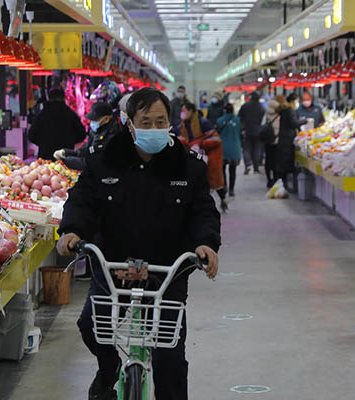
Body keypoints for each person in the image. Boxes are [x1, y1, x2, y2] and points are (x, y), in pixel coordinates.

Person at [56, 87, 221, 400]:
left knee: (168, 357)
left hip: (167, 271)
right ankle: (108, 371)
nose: (155, 128)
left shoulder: (188, 167)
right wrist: (73, 231)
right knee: (93, 328)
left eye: (161, 121)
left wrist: (206, 243)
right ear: (129, 123)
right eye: (146, 121)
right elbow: (82, 199)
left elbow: (203, 210)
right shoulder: (104, 161)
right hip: (113, 265)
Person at [176, 101, 228, 212]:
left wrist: (200, 143)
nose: (182, 113)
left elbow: (215, 139)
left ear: (191, 111)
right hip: (192, 155)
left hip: (206, 156)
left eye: (184, 110)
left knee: (212, 180)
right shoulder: (182, 125)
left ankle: (222, 200)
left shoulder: (203, 122)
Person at [54, 102, 120, 171]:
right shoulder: (96, 132)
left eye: (95, 119)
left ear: (106, 119)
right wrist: (65, 152)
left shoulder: (112, 137)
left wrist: (65, 160)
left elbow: (91, 163)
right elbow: (83, 151)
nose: (92, 122)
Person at [28, 88, 87, 161]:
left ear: (49, 98)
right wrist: (70, 141)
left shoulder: (42, 115)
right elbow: (82, 135)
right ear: (63, 98)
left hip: (45, 157)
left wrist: (43, 143)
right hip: (65, 156)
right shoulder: (71, 114)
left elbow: (31, 135)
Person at [274, 93, 303, 189]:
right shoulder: (290, 111)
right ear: (293, 101)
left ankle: (284, 183)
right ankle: (287, 185)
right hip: (288, 139)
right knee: (287, 162)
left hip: (283, 139)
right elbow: (293, 123)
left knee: (283, 163)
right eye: (297, 101)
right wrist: (304, 121)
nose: (298, 103)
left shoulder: (285, 110)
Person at [216, 103, 243, 197]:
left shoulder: (219, 120)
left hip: (222, 148)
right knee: (233, 170)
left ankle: (225, 187)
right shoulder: (238, 120)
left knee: (222, 170)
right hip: (235, 148)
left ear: (224, 110)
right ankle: (232, 190)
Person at [239, 92, 265, 175]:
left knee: (247, 149)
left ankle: (247, 165)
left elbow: (239, 117)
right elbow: (263, 120)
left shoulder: (245, 106)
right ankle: (256, 168)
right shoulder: (261, 107)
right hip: (258, 131)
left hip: (247, 130)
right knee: (257, 149)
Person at [262, 96, 282, 188]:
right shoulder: (279, 115)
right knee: (276, 161)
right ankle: (275, 178)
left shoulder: (266, 115)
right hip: (277, 140)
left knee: (268, 161)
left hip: (267, 141)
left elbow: (262, 125)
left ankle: (269, 180)